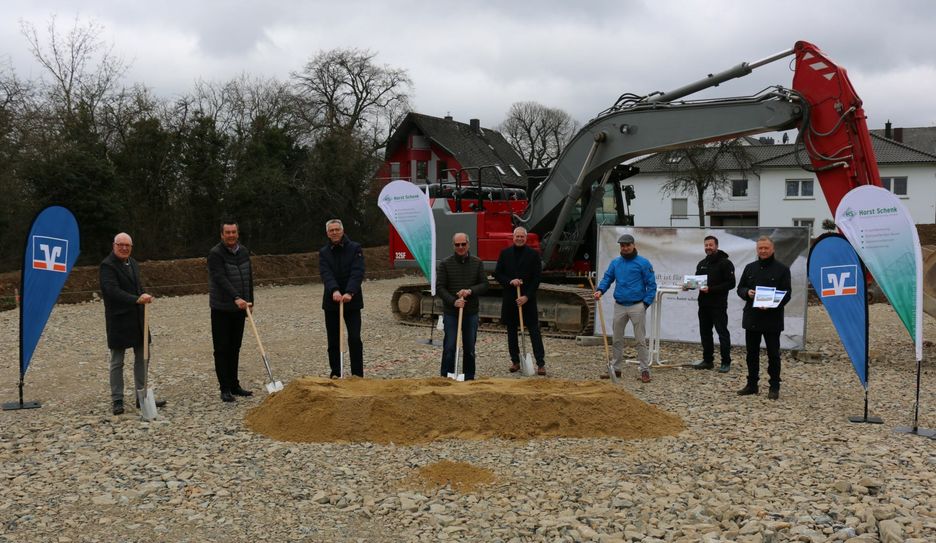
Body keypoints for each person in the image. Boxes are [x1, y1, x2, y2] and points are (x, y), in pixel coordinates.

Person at [100, 232, 166, 415]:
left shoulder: (134, 263)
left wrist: (144, 295)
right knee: (117, 361)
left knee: (143, 357)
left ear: (131, 247)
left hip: (138, 318)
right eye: (120, 244)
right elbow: (111, 290)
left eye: (127, 245)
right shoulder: (107, 266)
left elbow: (138, 287)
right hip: (119, 319)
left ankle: (142, 396)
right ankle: (117, 400)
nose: (124, 248)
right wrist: (136, 299)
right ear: (114, 245)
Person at [594, 233, 657, 383]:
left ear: (633, 245)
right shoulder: (615, 263)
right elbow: (607, 278)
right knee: (616, 339)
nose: (625, 248)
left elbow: (652, 285)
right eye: (622, 245)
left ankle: (644, 370)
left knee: (640, 340)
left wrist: (645, 304)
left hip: (637, 305)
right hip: (620, 306)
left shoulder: (643, 263)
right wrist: (600, 290)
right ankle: (616, 369)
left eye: (628, 245)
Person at [736, 236, 791, 400]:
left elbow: (787, 294)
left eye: (766, 248)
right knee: (751, 354)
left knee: (773, 355)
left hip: (772, 318)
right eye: (760, 248)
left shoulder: (782, 269)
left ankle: (774, 386)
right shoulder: (749, 268)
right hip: (752, 317)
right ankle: (752, 384)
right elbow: (740, 288)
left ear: (772, 249)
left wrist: (772, 304)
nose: (763, 251)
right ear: (757, 250)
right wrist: (747, 293)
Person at [207, 221, 254, 402]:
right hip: (222, 308)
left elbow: (248, 277)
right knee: (222, 349)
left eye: (234, 232)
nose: (231, 235)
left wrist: (251, 301)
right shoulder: (215, 254)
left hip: (240, 308)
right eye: (227, 232)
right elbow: (220, 278)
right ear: (221, 234)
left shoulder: (243, 251)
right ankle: (224, 387)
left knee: (235, 347)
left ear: (238, 233)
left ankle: (235, 385)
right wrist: (235, 297)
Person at [495, 226, 546, 376]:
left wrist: (526, 297)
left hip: (527, 299)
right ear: (513, 237)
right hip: (511, 298)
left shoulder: (533, 255)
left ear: (525, 238)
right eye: (517, 236)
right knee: (511, 331)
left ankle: (540, 363)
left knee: (534, 330)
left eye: (522, 237)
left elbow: (537, 278)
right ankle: (515, 361)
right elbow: (498, 273)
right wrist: (510, 281)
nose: (519, 239)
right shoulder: (505, 254)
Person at [437, 232, 489, 380]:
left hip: (470, 313)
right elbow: (440, 287)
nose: (460, 247)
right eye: (457, 244)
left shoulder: (477, 262)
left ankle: (469, 377)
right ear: (453, 246)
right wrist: (454, 301)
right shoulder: (445, 264)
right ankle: (446, 377)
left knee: (469, 349)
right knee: (449, 347)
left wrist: (470, 291)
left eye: (463, 244)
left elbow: (485, 284)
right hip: (451, 313)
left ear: (468, 244)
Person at [319, 219, 365, 378]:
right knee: (333, 340)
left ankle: (357, 374)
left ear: (342, 230)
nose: (334, 232)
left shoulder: (355, 248)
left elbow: (357, 272)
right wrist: (334, 290)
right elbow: (326, 273)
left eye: (337, 229)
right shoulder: (324, 252)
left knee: (354, 338)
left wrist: (350, 292)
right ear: (327, 233)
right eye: (331, 230)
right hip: (332, 302)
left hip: (352, 302)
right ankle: (336, 372)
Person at [689, 235, 736, 373]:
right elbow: (696, 281)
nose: (708, 247)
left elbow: (731, 283)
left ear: (716, 246)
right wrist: (689, 286)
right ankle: (708, 360)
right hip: (703, 305)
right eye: (706, 245)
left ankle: (726, 362)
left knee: (722, 333)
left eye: (710, 245)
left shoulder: (725, 263)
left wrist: (711, 289)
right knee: (705, 333)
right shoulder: (702, 263)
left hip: (718, 305)